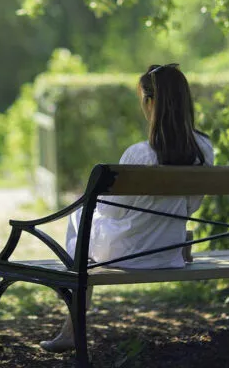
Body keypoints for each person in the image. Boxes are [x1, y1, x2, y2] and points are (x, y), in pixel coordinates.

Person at [39, 63, 215, 353]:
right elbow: (192, 205)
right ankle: (70, 312)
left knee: (79, 216)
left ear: (150, 101)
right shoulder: (204, 149)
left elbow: (111, 212)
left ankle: (71, 322)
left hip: (129, 254)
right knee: (86, 223)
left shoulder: (140, 153)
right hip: (167, 252)